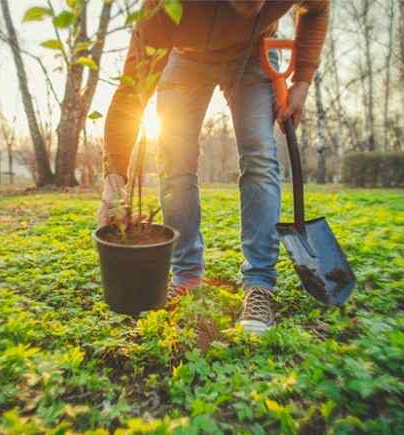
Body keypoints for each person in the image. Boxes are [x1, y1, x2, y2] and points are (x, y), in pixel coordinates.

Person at [98, 0, 329, 334]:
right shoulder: (165, 8)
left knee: (261, 156)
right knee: (175, 159)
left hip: (254, 53)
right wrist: (114, 180)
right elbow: (132, 92)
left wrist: (303, 81)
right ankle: (187, 276)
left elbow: (317, 9)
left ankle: (259, 283)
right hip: (186, 55)